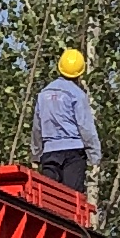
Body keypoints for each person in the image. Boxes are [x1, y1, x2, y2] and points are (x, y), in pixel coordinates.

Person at [34, 48, 98, 196]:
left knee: (49, 199)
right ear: (80, 72)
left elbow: (37, 128)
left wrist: (36, 155)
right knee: (71, 200)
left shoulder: (44, 94)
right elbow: (86, 127)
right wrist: (94, 156)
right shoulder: (78, 95)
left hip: (49, 153)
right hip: (73, 154)